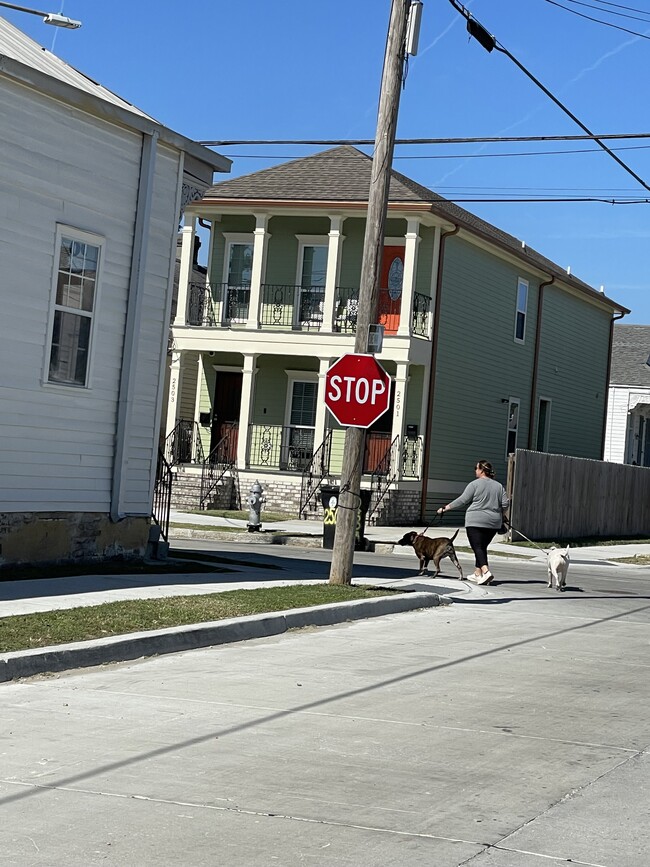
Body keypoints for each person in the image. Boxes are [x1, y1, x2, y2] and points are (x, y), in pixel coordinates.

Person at [436, 460, 509, 585]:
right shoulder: (499, 486)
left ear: (481, 470)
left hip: (475, 521)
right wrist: (501, 515)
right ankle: (477, 573)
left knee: (477, 547)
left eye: (476, 468)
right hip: (493, 522)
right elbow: (505, 504)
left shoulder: (474, 484)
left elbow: (462, 500)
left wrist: (445, 508)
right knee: (481, 547)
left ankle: (486, 572)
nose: (475, 470)